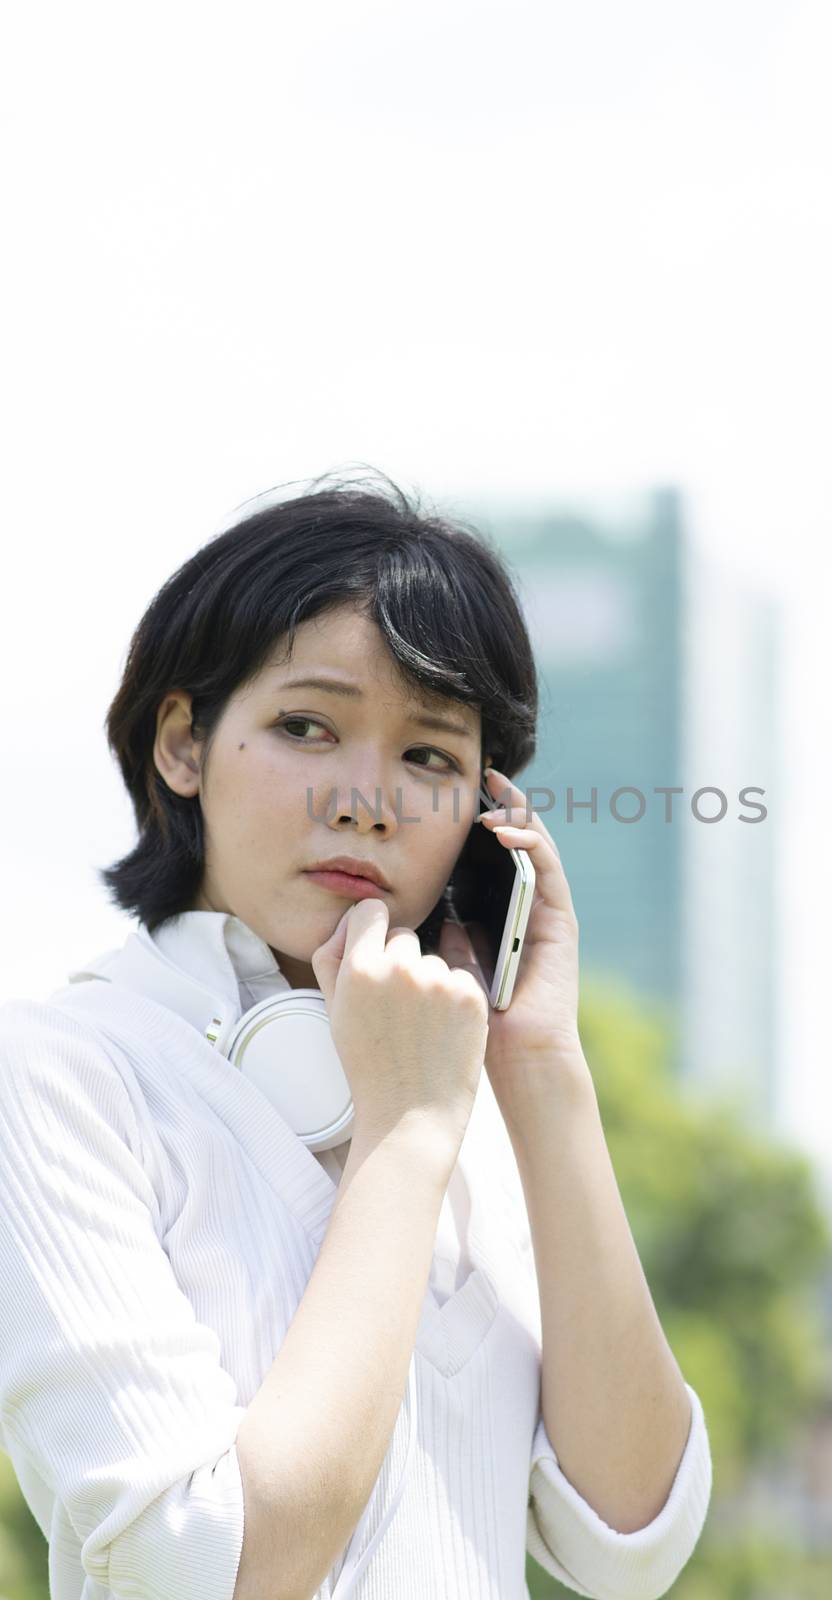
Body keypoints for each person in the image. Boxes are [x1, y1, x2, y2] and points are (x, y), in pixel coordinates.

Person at [0, 470, 712, 1599]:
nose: (366, 797)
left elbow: (631, 1539)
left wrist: (540, 1068)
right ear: (182, 744)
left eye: (429, 755)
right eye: (305, 727)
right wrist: (405, 1135)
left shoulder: (457, 1080)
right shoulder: (62, 1070)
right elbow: (207, 1568)